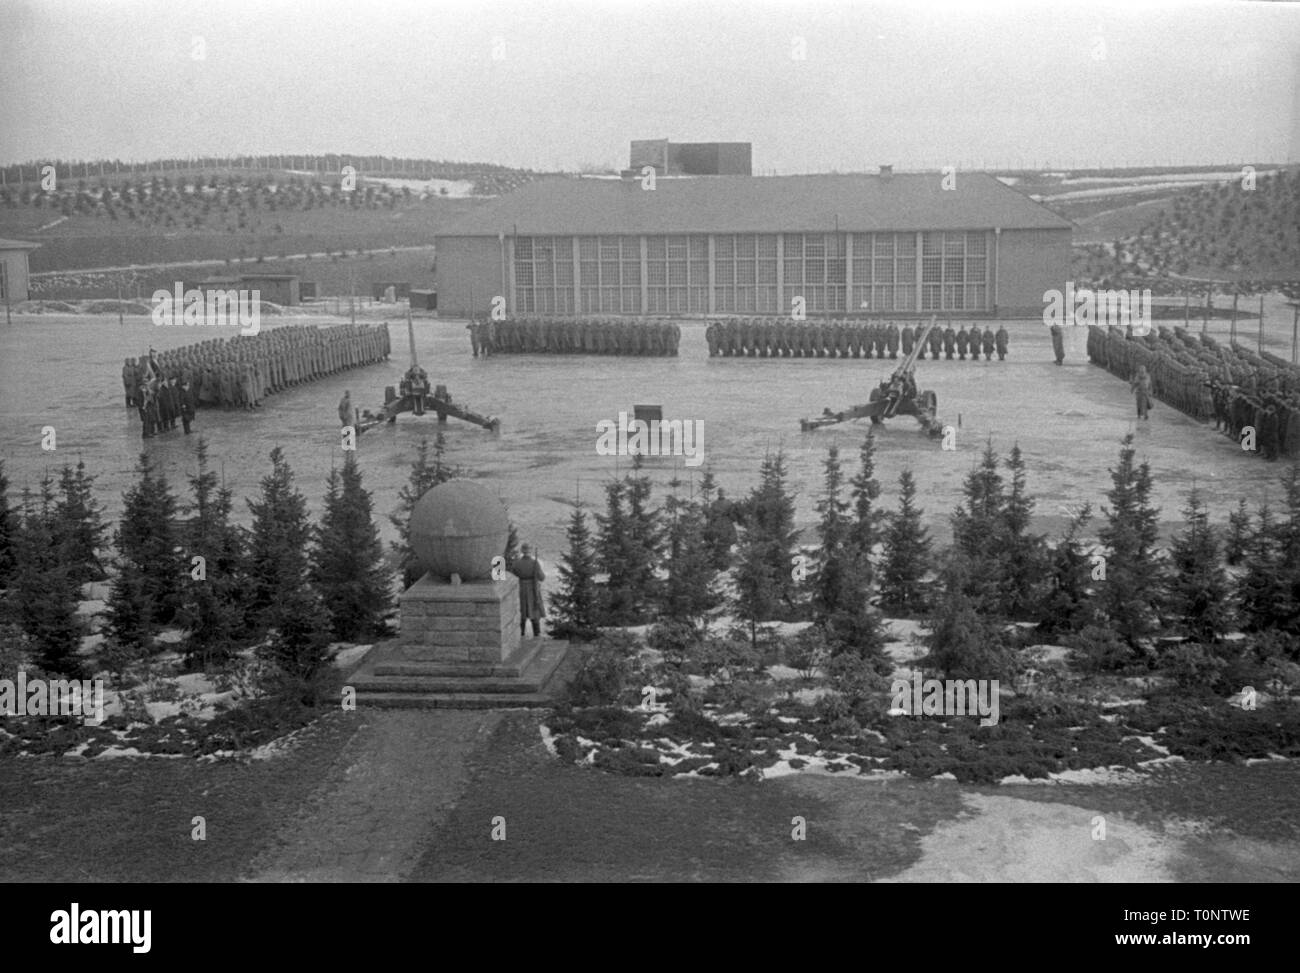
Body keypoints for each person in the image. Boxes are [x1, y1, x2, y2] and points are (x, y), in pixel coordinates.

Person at [511, 543, 546, 638]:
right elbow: (542, 577)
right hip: (532, 589)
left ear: (522, 551)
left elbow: (512, 576)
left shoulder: (516, 563)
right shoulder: (535, 563)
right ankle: (537, 634)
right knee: (535, 611)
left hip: (520, 588)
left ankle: (521, 633)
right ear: (529, 551)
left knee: (521, 611)